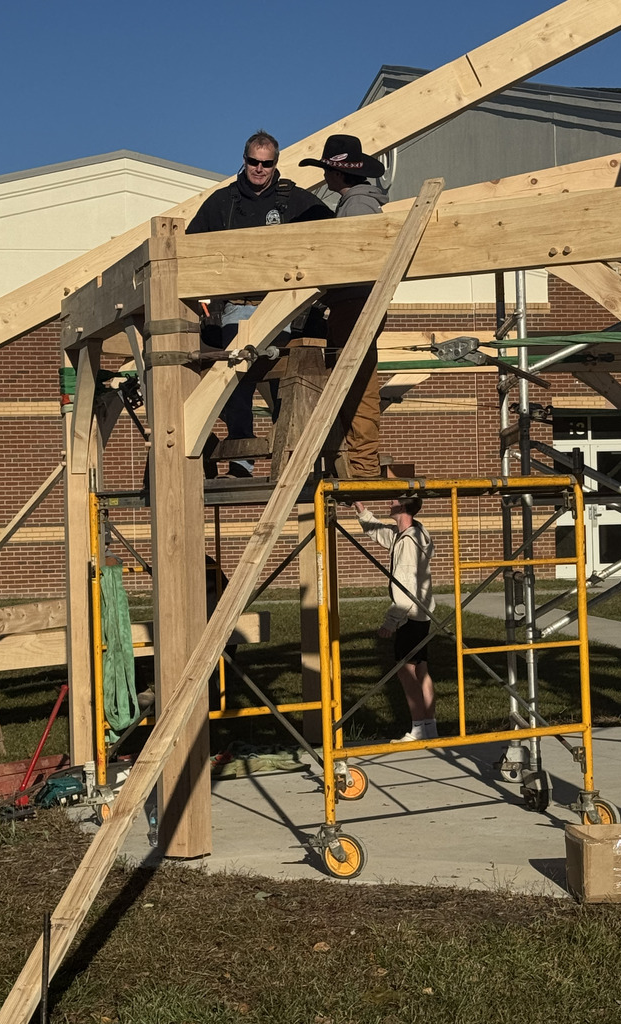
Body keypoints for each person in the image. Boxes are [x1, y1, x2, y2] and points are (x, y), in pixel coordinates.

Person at [187, 130, 332, 477]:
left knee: (284, 382)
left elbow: (334, 234)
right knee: (234, 378)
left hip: (283, 310)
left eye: (266, 164)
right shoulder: (223, 202)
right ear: (244, 159)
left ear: (275, 164)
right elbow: (189, 247)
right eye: (253, 162)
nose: (259, 169)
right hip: (237, 306)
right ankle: (241, 457)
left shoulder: (295, 200)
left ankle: (292, 457)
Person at [299, 135, 388, 478]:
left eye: (327, 170)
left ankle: (363, 464)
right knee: (353, 378)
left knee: (358, 382)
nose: (325, 177)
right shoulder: (357, 202)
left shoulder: (357, 207)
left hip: (356, 302)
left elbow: (360, 257)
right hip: (353, 301)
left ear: (338, 174)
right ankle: (358, 460)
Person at [353, 494, 437, 742]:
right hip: (421, 613)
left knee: (405, 670)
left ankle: (419, 727)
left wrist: (391, 622)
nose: (389, 501)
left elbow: (406, 585)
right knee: (420, 667)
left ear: (402, 507)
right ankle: (429, 726)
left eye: (394, 500)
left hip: (410, 613)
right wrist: (361, 508)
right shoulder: (409, 534)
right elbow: (378, 532)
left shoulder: (408, 543)